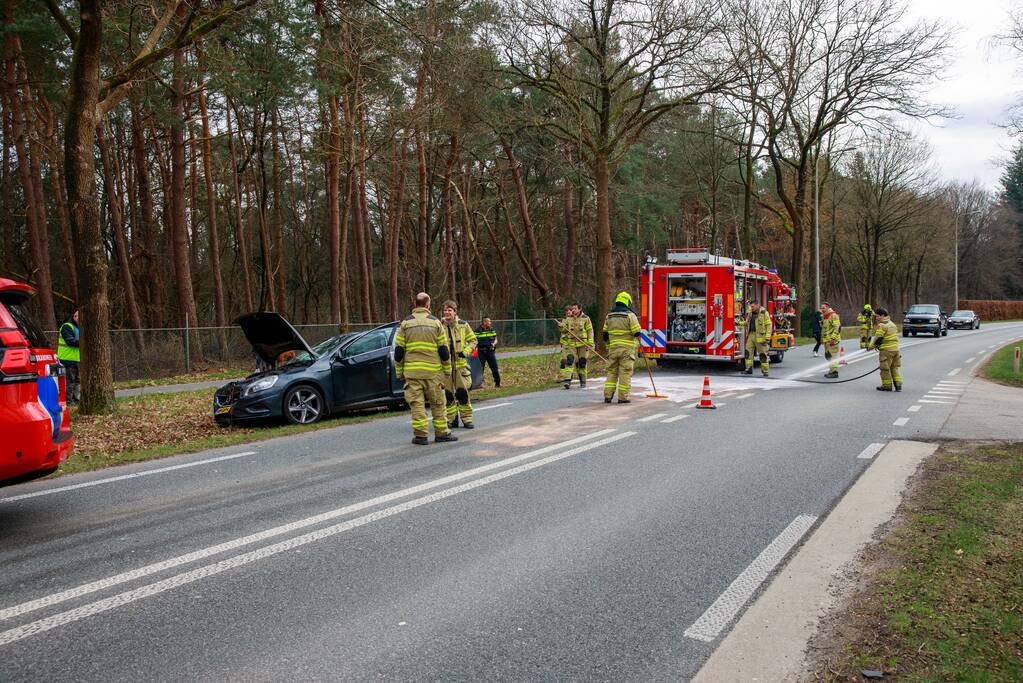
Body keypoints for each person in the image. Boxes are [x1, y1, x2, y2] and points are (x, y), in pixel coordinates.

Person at [394, 293, 457, 445]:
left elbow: (399, 352)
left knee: (417, 405)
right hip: (433, 373)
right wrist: (447, 371)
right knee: (437, 404)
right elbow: (444, 350)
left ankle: (421, 436)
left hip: (412, 373)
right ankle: (442, 433)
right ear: (428, 305)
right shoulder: (436, 323)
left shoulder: (405, 324)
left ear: (414, 303)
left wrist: (399, 372)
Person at [441, 300, 477, 429]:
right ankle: (451, 420)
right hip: (446, 368)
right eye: (445, 310)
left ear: (455, 312)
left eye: (449, 310)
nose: (446, 312)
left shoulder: (463, 325)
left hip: (460, 367)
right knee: (448, 395)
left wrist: (465, 352)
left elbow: (473, 340)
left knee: (462, 394)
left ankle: (467, 419)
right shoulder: (439, 325)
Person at [602, 291, 642, 404]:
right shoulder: (630, 315)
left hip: (613, 349)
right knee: (625, 372)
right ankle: (623, 397)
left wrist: (609, 346)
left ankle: (608, 396)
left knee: (612, 372)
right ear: (627, 302)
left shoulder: (609, 316)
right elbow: (636, 332)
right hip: (626, 350)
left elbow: (605, 334)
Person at [868, 307, 902, 392]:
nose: (876, 318)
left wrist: (870, 347)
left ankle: (887, 385)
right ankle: (898, 385)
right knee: (894, 368)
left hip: (886, 351)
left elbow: (877, 338)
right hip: (895, 350)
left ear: (883, 315)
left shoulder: (882, 325)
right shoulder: (892, 324)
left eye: (877, 316)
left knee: (885, 369)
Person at [564, 303, 594, 388]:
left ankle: (583, 381)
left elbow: (590, 331)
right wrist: (561, 327)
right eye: (572, 308)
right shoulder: (568, 319)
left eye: (575, 308)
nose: (573, 310)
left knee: (582, 363)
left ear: (580, 309)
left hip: (583, 345)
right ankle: (567, 381)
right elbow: (564, 331)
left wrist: (590, 343)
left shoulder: (586, 318)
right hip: (571, 344)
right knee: (570, 360)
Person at [743, 302, 773, 377]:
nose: (751, 308)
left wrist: (767, 337)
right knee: (748, 353)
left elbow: (769, 325)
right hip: (751, 335)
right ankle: (748, 369)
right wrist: (739, 323)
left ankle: (765, 371)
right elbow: (747, 323)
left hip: (760, 336)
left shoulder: (764, 313)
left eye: (753, 306)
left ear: (757, 305)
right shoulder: (750, 313)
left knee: (763, 354)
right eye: (751, 306)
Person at [57, 310, 80, 405]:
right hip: (67, 359)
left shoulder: (78, 328)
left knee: (76, 380)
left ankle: (75, 399)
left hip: (75, 359)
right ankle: (68, 401)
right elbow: (70, 341)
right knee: (70, 381)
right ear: (74, 317)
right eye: (77, 316)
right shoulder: (67, 326)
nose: (79, 318)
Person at [474, 317, 500, 387]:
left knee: (494, 367)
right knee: (480, 368)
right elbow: (473, 341)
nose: (490, 323)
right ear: (484, 322)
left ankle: (497, 383)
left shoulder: (491, 330)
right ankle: (479, 384)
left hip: (490, 351)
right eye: (489, 321)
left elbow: (496, 338)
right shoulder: (477, 331)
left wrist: (494, 343)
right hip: (481, 352)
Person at [821, 302, 842, 378]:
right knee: (829, 356)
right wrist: (822, 339)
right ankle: (831, 370)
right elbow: (825, 329)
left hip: (832, 341)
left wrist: (833, 338)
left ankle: (834, 372)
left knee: (833, 356)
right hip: (827, 341)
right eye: (821, 308)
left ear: (827, 308)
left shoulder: (833, 315)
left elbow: (837, 327)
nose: (822, 309)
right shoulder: (825, 316)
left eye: (823, 308)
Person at [558, 305, 575, 387]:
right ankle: (564, 377)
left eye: (570, 310)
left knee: (570, 360)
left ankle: (568, 379)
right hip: (564, 345)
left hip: (573, 344)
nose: (568, 312)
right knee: (563, 362)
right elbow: (563, 331)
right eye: (567, 311)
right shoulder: (564, 320)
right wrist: (561, 326)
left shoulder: (575, 320)